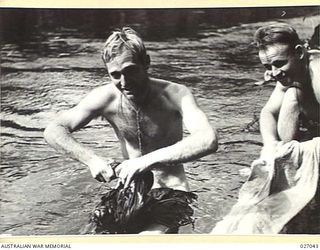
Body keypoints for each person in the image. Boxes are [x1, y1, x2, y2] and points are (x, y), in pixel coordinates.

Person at [44, 27, 218, 234]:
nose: (124, 83)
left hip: (170, 189)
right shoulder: (105, 98)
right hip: (126, 190)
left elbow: (208, 139)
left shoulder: (176, 94)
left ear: (146, 62)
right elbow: (54, 129)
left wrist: (145, 161)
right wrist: (91, 160)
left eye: (131, 70)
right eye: (115, 75)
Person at [253, 23, 320, 158]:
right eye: (268, 66)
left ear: (299, 53)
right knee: (291, 95)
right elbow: (268, 112)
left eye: (279, 63)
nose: (274, 73)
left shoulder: (317, 72)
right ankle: (287, 155)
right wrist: (270, 144)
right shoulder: (291, 72)